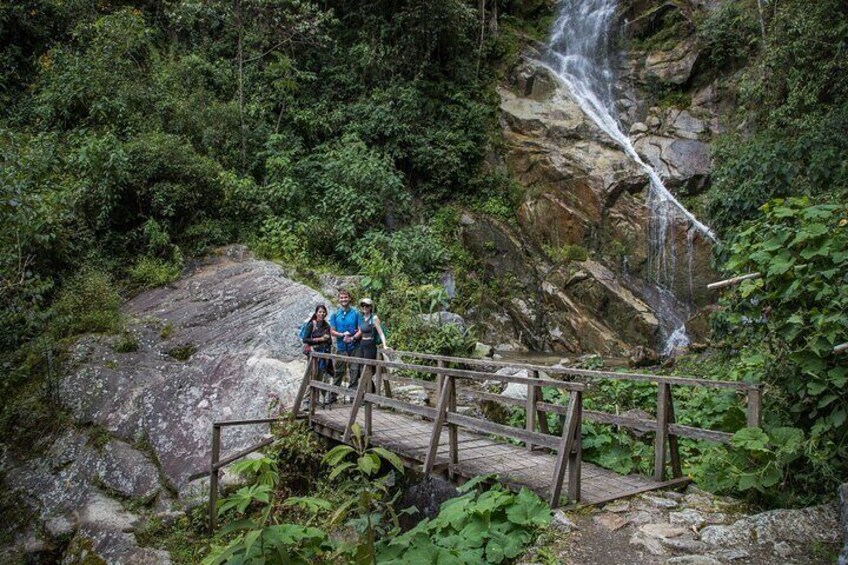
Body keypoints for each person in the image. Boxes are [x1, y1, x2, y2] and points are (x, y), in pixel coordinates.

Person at [328, 289, 361, 403]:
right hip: (341, 347)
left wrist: (352, 337)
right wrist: (342, 334)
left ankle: (353, 398)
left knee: (354, 371)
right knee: (338, 372)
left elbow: (360, 330)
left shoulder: (356, 313)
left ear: (349, 298)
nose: (343, 299)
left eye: (345, 297)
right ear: (339, 299)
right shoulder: (335, 314)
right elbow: (332, 331)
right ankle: (332, 397)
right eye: (341, 298)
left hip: (354, 346)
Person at [350, 298, 388, 390]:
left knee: (367, 370)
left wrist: (385, 345)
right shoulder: (362, 318)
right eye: (362, 306)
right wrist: (352, 338)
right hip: (362, 345)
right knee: (360, 369)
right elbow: (360, 332)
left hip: (370, 346)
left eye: (366, 306)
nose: (364, 307)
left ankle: (369, 393)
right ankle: (370, 391)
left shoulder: (374, 318)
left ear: (371, 307)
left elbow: (381, 333)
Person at [301, 305, 333, 405]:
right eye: (320, 312)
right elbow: (305, 339)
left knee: (319, 376)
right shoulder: (311, 324)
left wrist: (326, 340)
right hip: (313, 355)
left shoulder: (326, 326)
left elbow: (329, 340)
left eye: (323, 312)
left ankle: (315, 399)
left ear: (326, 313)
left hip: (323, 355)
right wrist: (319, 339)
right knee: (312, 376)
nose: (321, 314)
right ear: (316, 313)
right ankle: (306, 400)